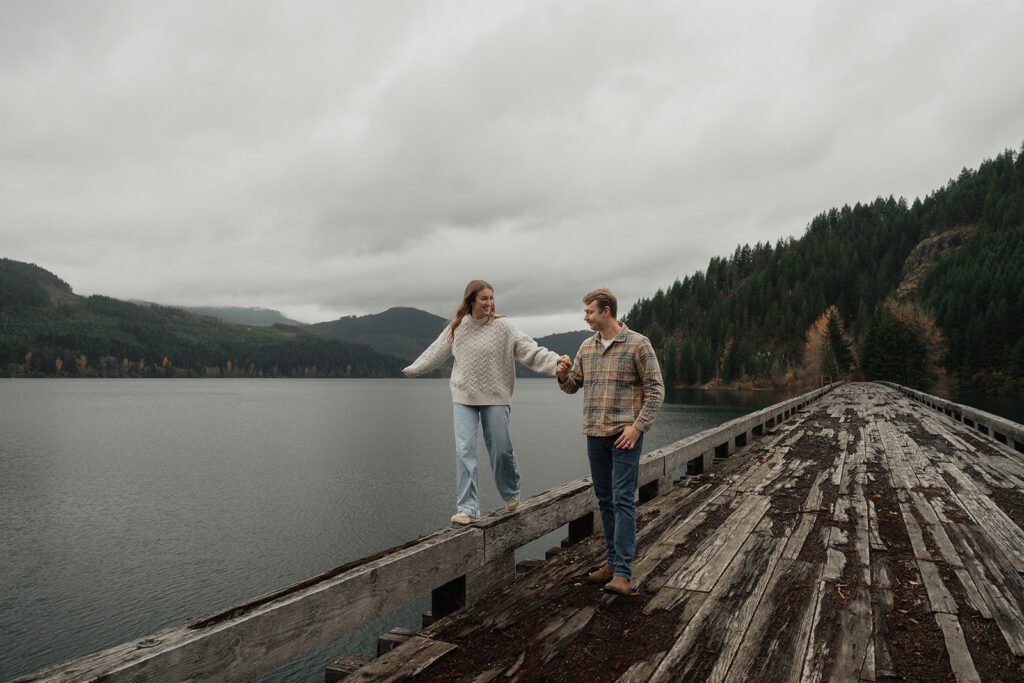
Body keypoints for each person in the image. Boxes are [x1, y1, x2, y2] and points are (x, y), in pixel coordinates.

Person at [404, 280, 570, 525]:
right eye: (484, 298)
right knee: (464, 451)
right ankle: (468, 508)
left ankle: (511, 492)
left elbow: (529, 350)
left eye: (491, 298)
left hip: (495, 395)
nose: (489, 303)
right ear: (471, 300)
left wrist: (555, 362)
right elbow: (435, 352)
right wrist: (413, 369)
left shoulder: (504, 327)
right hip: (463, 397)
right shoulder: (457, 327)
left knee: (501, 449)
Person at [557, 288, 664, 596]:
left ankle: (623, 573)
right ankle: (612, 561)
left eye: (589, 311)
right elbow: (572, 386)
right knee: (605, 501)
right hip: (594, 434)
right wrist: (563, 374)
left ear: (606, 311)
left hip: (624, 436)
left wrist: (637, 427)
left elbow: (656, 391)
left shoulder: (638, 344)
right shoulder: (586, 347)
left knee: (623, 499)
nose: (585, 316)